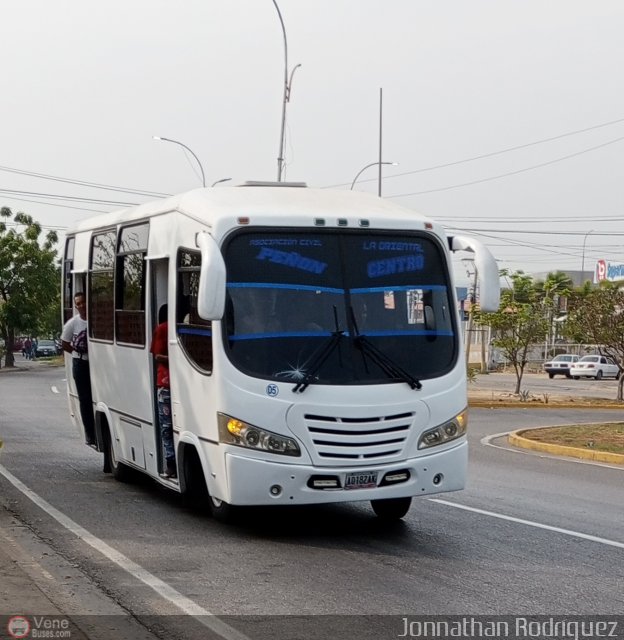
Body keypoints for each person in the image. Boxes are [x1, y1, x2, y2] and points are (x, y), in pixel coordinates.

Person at [61, 292, 96, 446]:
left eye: (83, 302)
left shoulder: (96, 320)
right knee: (85, 399)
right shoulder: (73, 324)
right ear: (76, 306)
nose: (82, 306)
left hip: (96, 364)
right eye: (78, 304)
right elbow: (64, 343)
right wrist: (76, 351)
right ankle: (89, 433)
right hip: (80, 364)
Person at [151, 304, 176, 479]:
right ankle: (170, 464)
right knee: (167, 426)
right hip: (166, 384)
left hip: (181, 384)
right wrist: (176, 358)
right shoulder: (163, 329)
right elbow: (157, 355)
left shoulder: (179, 327)